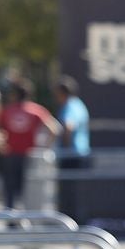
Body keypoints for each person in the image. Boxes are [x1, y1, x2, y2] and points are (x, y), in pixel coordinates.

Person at [0, 79, 62, 210]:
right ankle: (26, 216)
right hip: (29, 155)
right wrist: (44, 148)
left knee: (9, 190)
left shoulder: (7, 110)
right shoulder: (37, 110)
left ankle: (10, 216)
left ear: (14, 94)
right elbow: (54, 129)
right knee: (29, 189)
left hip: (10, 155)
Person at [53, 75, 93, 218]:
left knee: (69, 193)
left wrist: (65, 146)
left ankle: (71, 222)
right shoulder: (79, 105)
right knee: (77, 193)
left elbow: (68, 126)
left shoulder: (70, 106)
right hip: (80, 154)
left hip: (72, 156)